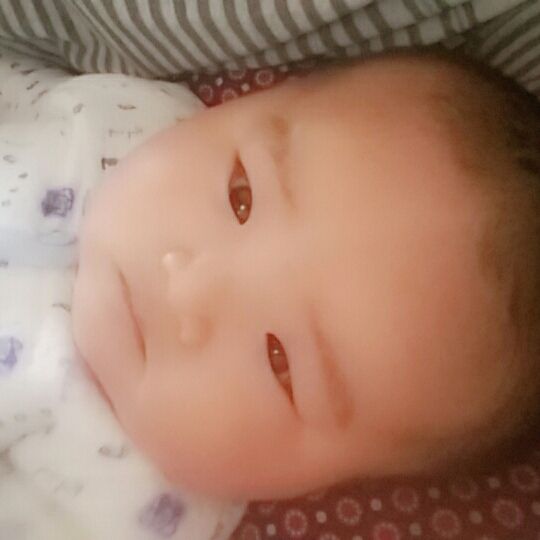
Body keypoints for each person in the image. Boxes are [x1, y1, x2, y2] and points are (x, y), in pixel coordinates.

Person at [72, 48, 540, 501]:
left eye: (281, 362)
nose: (187, 289)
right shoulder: (101, 106)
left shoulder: (121, 513)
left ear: (320, 485)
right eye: (242, 197)